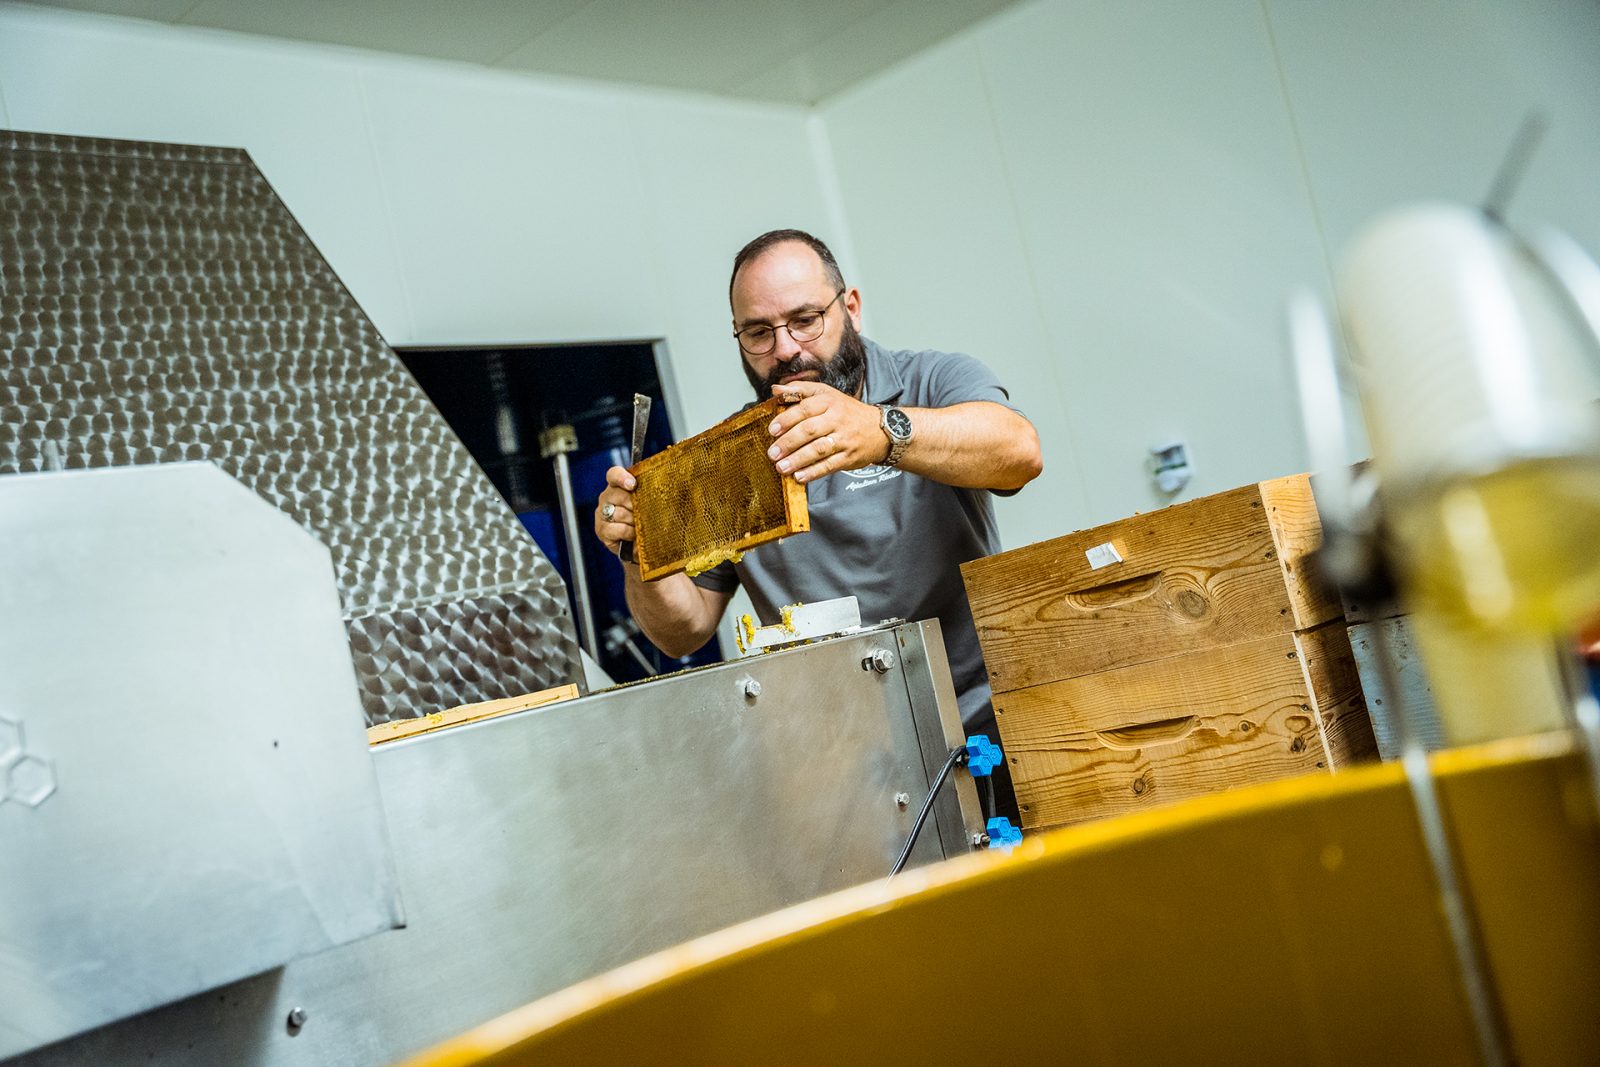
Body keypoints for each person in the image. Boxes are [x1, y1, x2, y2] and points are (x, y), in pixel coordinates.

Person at [593, 229, 1042, 821]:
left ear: (849, 307)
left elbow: (1018, 451)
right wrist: (637, 551)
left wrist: (879, 431)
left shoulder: (932, 381)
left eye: (805, 320)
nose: (785, 350)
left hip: (990, 737)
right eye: (758, 332)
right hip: (839, 771)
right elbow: (685, 630)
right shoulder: (730, 461)